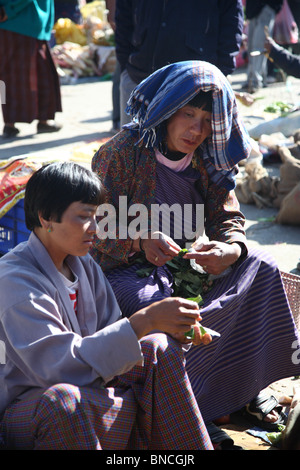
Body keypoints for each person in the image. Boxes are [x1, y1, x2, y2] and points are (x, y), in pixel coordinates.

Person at [90, 60, 300, 433]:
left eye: (207, 119)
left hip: (185, 265)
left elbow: (228, 216)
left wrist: (231, 250)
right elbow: (93, 225)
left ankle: (238, 390)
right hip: (124, 270)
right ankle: (190, 402)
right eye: (188, 114)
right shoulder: (121, 152)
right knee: (161, 309)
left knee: (263, 268)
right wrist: (140, 238)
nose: (197, 129)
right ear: (167, 110)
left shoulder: (208, 158)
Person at [0, 161, 214, 450]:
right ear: (46, 217)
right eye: (85, 217)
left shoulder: (84, 265)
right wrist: (144, 320)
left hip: (87, 389)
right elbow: (58, 369)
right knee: (63, 400)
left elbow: (111, 333)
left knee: (159, 347)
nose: (96, 229)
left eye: (98, 217)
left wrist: (167, 327)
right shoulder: (14, 281)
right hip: (26, 407)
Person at [115, 0, 244, 126]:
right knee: (133, 144)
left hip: (195, 85)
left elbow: (231, 24)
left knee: (188, 145)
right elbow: (123, 19)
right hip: (139, 76)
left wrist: (219, 74)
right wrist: (125, 65)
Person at [0, 0, 62, 138]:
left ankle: (40, 120)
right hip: (17, 21)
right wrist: (8, 10)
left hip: (30, 23)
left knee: (39, 74)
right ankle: (11, 123)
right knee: (15, 76)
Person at [244, 0, 284, 93]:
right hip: (253, 9)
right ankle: (257, 78)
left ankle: (255, 81)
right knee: (251, 47)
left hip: (267, 5)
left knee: (259, 46)